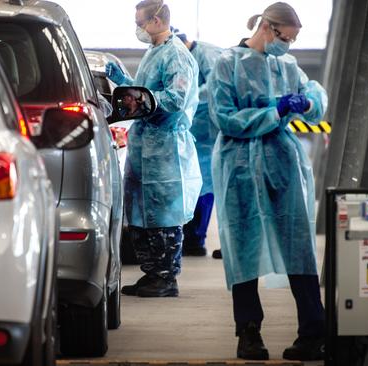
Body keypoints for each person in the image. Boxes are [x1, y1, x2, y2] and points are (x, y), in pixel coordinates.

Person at [207, 2, 327, 361]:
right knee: (243, 249)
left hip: (282, 164)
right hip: (240, 167)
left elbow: (315, 95)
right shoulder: (227, 64)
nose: (286, 47)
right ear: (267, 28)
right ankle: (248, 334)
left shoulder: (286, 65)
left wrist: (307, 102)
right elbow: (225, 118)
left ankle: (314, 331)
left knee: (298, 246)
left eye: (291, 41)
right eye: (285, 38)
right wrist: (273, 111)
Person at [105, 0, 202, 298]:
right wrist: (123, 82)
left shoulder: (176, 55)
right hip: (145, 144)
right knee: (142, 216)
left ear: (158, 20)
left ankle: (166, 278)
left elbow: (175, 98)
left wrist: (141, 99)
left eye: (141, 23)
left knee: (164, 218)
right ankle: (151, 274)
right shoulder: (155, 52)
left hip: (166, 148)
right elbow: (145, 89)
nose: (139, 29)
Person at [172, 28, 224, 259]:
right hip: (197, 128)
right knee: (196, 182)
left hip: (209, 131)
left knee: (204, 184)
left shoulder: (207, 53)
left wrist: (188, 97)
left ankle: (196, 239)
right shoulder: (186, 54)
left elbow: (216, 87)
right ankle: (193, 238)